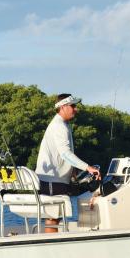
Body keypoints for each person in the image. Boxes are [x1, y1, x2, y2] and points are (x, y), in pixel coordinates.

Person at [36, 93, 101, 232]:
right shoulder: (59, 126)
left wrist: (73, 169)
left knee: (55, 217)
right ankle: (50, 248)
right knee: (54, 217)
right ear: (63, 107)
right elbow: (65, 153)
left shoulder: (62, 124)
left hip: (53, 179)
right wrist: (88, 168)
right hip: (52, 180)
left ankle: (50, 246)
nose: (75, 109)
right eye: (73, 106)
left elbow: (61, 154)